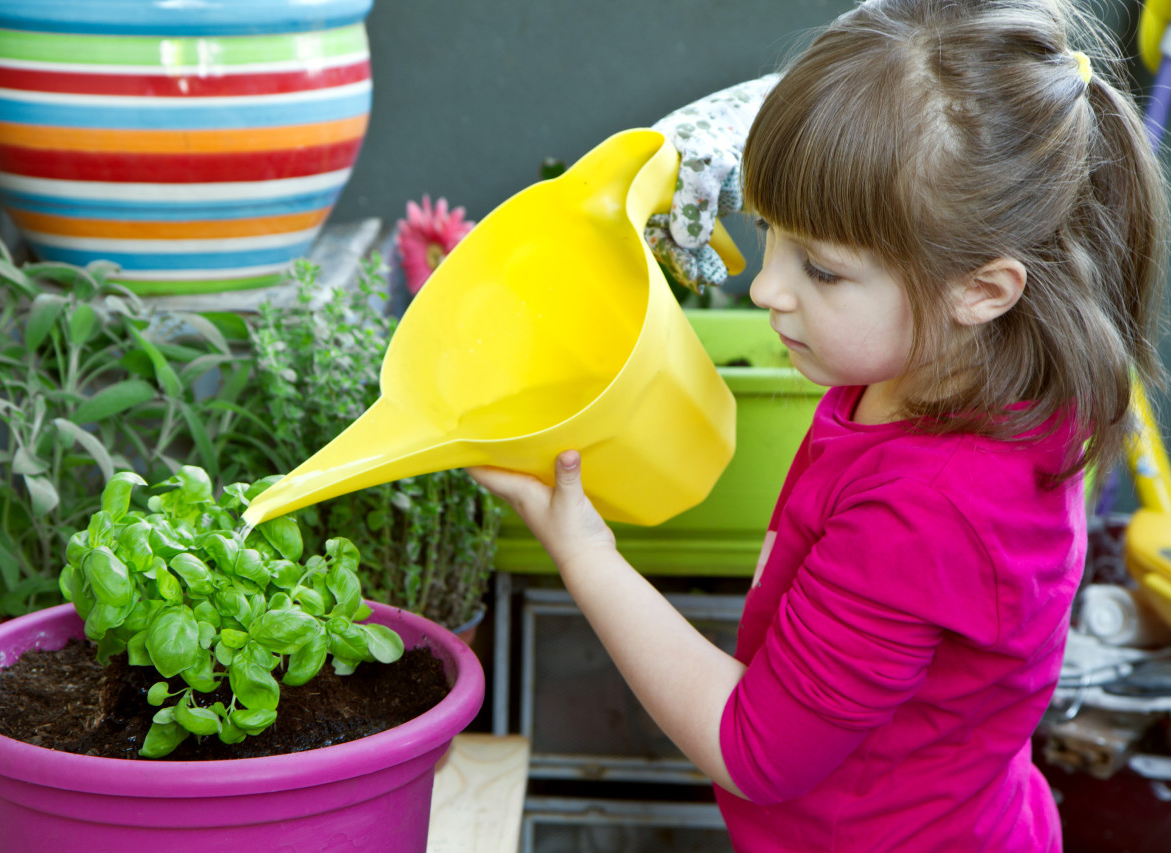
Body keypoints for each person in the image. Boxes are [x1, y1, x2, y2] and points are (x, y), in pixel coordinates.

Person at [468, 0, 1168, 850]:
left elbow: (751, 748)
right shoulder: (969, 355)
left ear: (982, 289)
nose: (766, 289)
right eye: (771, 233)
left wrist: (583, 549)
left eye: (823, 269)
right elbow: (911, 125)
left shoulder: (929, 512)